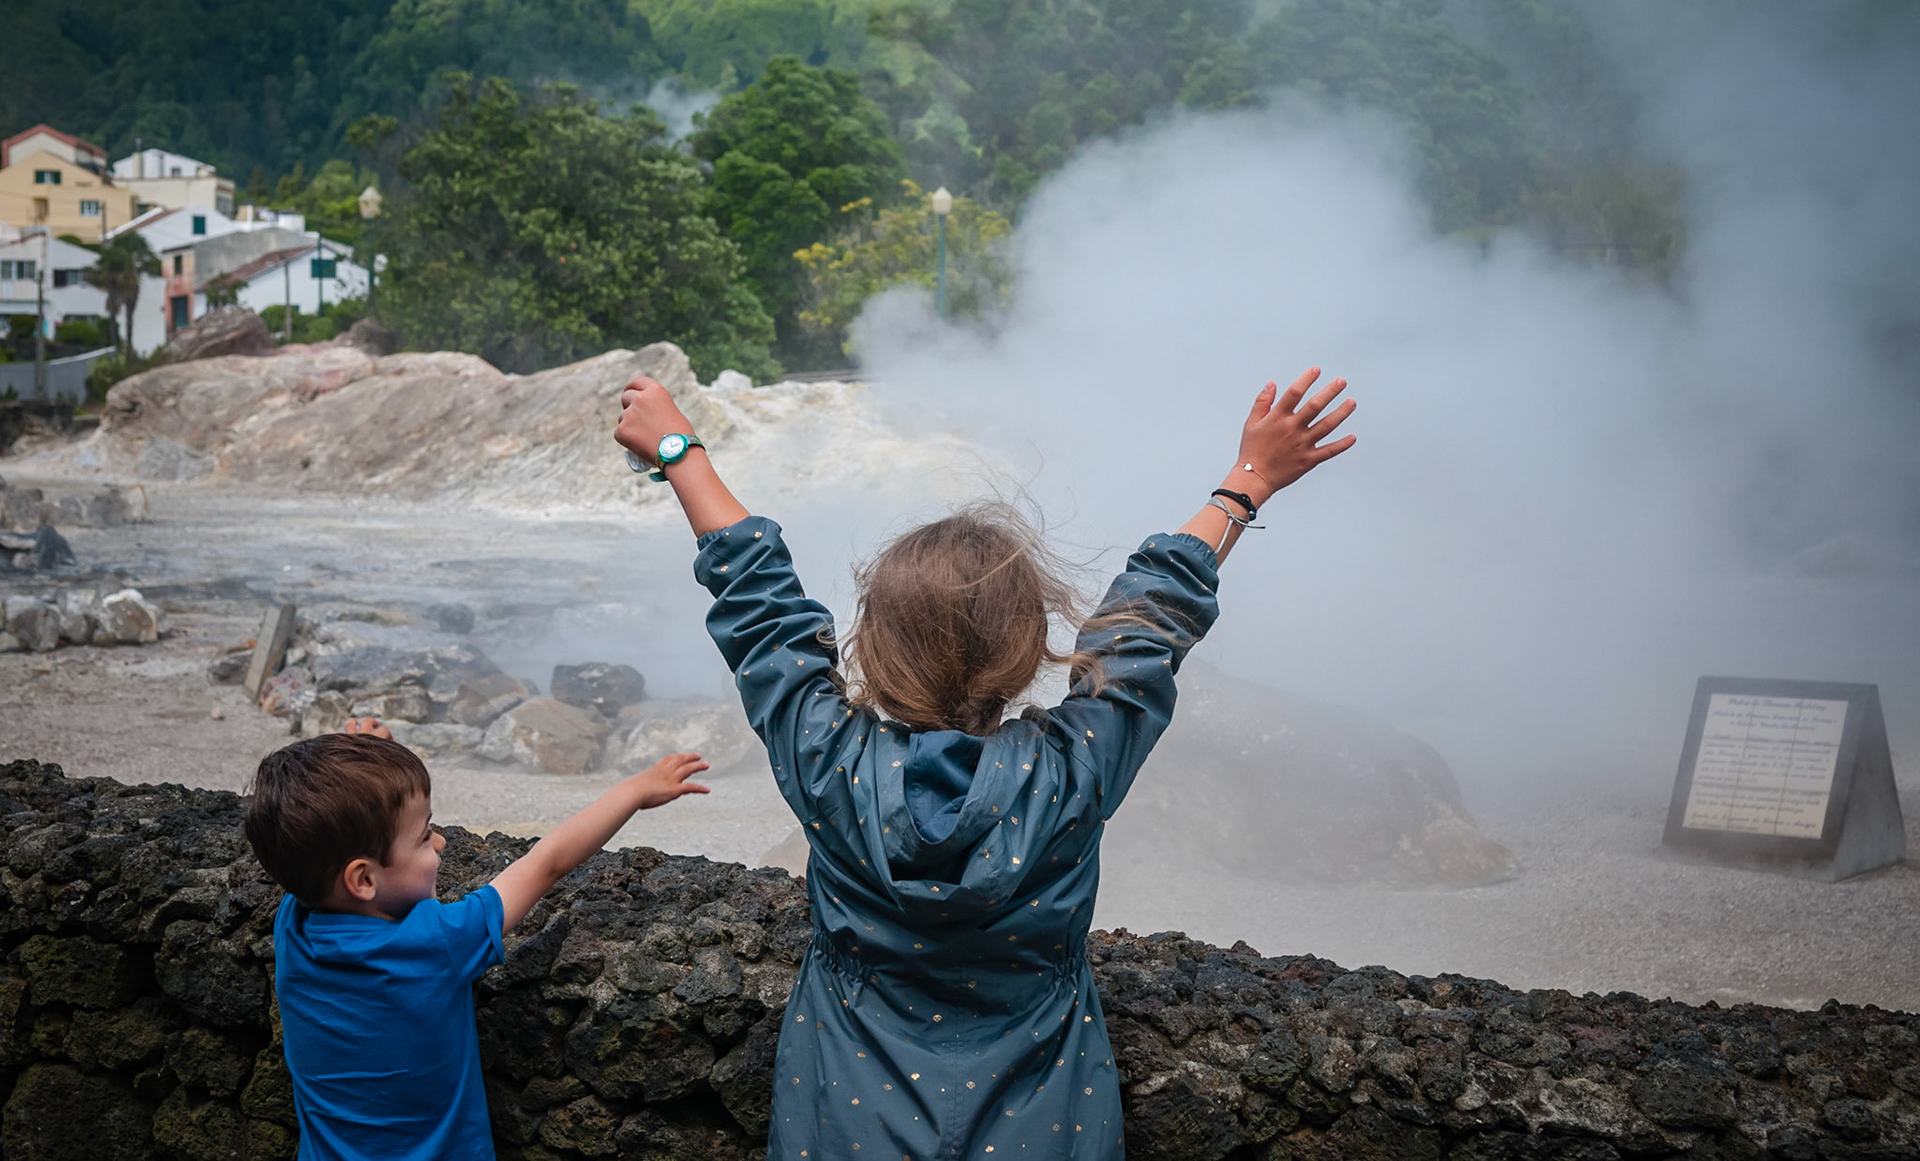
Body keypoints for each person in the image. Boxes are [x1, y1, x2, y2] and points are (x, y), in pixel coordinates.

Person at [614, 365, 1356, 1157]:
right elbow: (1147, 628)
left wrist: (677, 447)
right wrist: (1248, 482)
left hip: (845, 1123)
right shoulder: (1072, 775)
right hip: (1045, 1124)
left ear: (873, 645)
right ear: (1028, 647)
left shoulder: (830, 762)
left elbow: (762, 609)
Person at [243, 731, 709, 1159]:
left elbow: (311, 838)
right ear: (363, 878)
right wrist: (633, 792)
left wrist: (363, 773)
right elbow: (546, 863)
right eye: (424, 837)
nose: (441, 842)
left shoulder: (294, 923)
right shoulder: (435, 942)